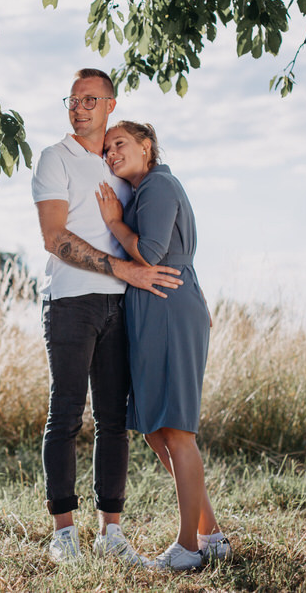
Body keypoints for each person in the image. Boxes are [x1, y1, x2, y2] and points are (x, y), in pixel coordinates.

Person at [31, 69, 183, 565]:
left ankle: (110, 533)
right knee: (66, 415)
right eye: (73, 99)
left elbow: (154, 230)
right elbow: (54, 237)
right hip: (72, 302)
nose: (80, 107)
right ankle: (63, 534)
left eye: (91, 99)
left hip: (122, 305)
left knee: (114, 421)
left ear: (110, 104)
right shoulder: (55, 158)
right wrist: (125, 270)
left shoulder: (119, 164)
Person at [95, 121, 231, 570]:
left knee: (176, 430)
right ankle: (211, 535)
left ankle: (188, 547)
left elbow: (152, 254)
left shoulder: (156, 185)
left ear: (146, 146)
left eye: (121, 144)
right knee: (156, 429)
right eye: (107, 148)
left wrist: (113, 221)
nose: (112, 152)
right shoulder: (149, 188)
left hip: (168, 309)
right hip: (159, 309)